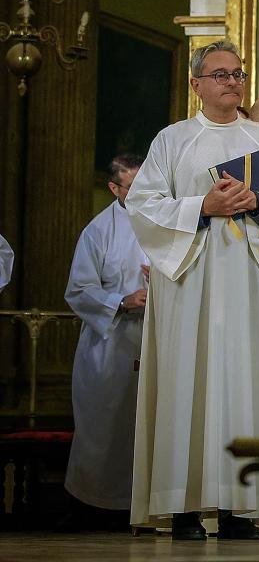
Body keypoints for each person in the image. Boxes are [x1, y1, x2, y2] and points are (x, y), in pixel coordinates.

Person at [126, 40, 259, 539]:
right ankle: (185, 507)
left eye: (237, 73)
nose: (232, 82)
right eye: (220, 75)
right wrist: (200, 208)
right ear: (196, 85)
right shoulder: (173, 141)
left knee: (244, 384)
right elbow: (143, 206)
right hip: (189, 282)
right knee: (186, 382)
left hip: (247, 282)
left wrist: (258, 203)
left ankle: (240, 508)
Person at [64, 153, 148, 515]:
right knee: (107, 429)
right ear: (114, 188)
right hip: (111, 343)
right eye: (134, 185)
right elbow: (79, 290)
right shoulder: (98, 231)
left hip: (155, 341)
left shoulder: (163, 222)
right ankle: (94, 508)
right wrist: (123, 300)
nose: (145, 191)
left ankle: (147, 506)